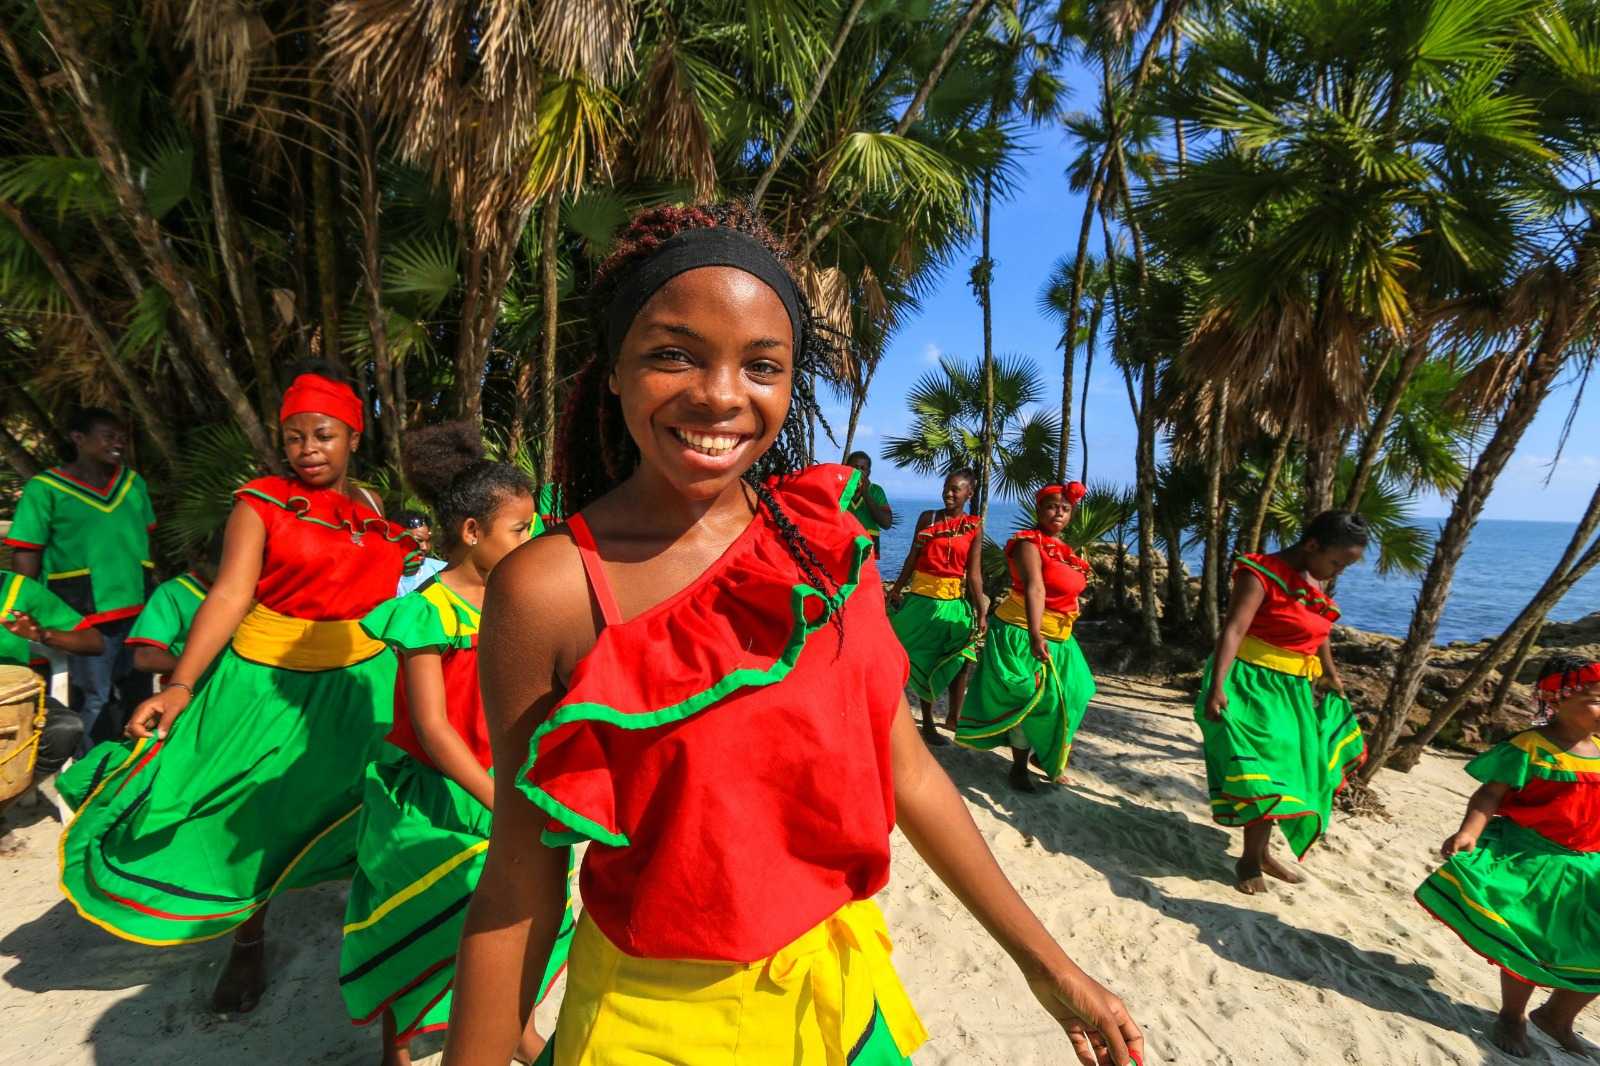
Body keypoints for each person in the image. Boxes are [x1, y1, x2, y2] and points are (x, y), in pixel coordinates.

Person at [443, 203, 1142, 1066]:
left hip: (842, 1006)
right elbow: (519, 880)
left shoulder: (828, 552)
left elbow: (910, 773)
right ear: (614, 371)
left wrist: (1048, 966)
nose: (720, 394)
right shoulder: (549, 589)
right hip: (650, 1026)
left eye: (761, 365)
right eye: (673, 355)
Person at [56, 365, 418, 1015]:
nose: (308, 449)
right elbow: (228, 595)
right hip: (266, 680)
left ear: (354, 437)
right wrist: (181, 684)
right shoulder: (261, 503)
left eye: (323, 435)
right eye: (295, 437)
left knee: (371, 795)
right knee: (249, 807)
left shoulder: (370, 506)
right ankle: (247, 940)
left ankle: (375, 924)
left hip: (361, 676)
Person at [343, 423, 574, 1065]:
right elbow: (433, 728)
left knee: (524, 913)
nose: (530, 541)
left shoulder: (520, 601)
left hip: (507, 780)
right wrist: (502, 800)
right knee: (417, 916)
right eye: (519, 530)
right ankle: (399, 1044)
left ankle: (515, 1028)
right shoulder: (427, 611)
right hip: (441, 794)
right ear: (472, 532)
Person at [1416, 654, 1600, 1059]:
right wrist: (1469, 832)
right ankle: (1512, 1016)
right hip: (1533, 859)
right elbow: (1490, 794)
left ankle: (1557, 1016)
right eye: (1596, 699)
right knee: (1528, 940)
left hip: (1590, 864)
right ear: (1557, 699)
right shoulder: (1529, 748)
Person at [1197, 511, 1368, 895]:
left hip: (1293, 689)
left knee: (1289, 771)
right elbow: (1234, 629)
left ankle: (1260, 853)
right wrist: (1217, 686)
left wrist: (1330, 673)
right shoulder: (1260, 573)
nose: (1338, 571)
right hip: (1251, 684)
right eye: (1337, 562)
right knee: (1267, 769)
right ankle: (1250, 859)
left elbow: (1319, 629)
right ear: (1312, 545)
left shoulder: (1313, 580)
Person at [4, 408, 155, 748]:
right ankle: (88, 772)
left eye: (121, 437)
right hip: (82, 613)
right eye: (108, 436)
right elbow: (27, 551)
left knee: (138, 695)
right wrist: (25, 607)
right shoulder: (45, 489)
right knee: (93, 699)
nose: (118, 443)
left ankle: (134, 764)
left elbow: (143, 538)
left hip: (136, 608)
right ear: (78, 439)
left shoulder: (132, 483)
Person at [957, 483, 1097, 793]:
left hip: (1060, 636)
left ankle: (1042, 755)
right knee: (1028, 698)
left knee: (1077, 693)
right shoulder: (1028, 544)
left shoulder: (1066, 553)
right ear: (1039, 509)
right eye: (1052, 506)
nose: (1058, 512)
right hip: (1021, 630)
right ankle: (1018, 767)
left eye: (1065, 508)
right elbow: (1035, 587)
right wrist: (1035, 634)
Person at [0, 569, 102, 851]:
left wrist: (41, 634)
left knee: (65, 729)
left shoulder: (20, 589)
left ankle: (2, 805)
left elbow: (93, 642)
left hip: (17, 699)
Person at [887, 469, 987, 746]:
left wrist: (981, 610)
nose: (948, 493)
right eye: (946, 488)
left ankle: (954, 717)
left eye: (956, 489)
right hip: (922, 601)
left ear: (969, 494)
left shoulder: (973, 527)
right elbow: (913, 556)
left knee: (962, 656)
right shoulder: (928, 518)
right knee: (922, 659)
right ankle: (928, 722)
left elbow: (974, 573)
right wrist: (897, 588)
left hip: (953, 603)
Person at [126, 530, 221, 682]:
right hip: (195, 689)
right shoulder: (174, 592)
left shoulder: (254, 590)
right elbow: (146, 657)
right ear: (199, 555)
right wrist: (202, 668)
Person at [845, 450, 893, 555]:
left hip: (868, 549)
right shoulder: (838, 489)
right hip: (842, 545)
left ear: (868, 472)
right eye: (855, 467)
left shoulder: (876, 491)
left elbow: (886, 523)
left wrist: (866, 494)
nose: (858, 471)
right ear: (846, 468)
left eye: (863, 468)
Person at [396, 511, 448, 596]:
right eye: (419, 540)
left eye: (428, 541)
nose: (425, 547)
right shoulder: (384, 574)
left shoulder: (443, 570)